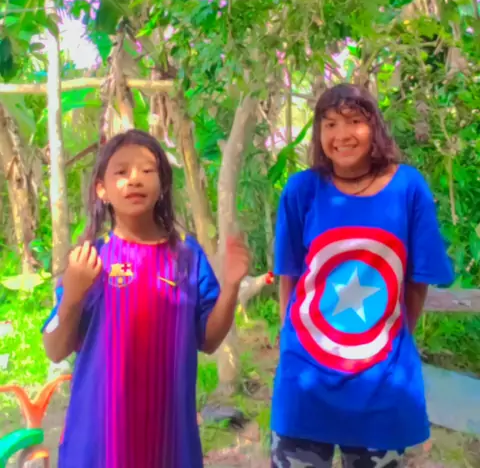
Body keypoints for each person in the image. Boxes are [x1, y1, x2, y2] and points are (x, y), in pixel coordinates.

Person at [271, 83, 454, 468]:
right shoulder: (302, 190)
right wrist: (292, 339)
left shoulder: (408, 188)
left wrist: (387, 337)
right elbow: (289, 274)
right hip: (306, 374)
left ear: (374, 128)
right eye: (330, 124)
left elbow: (417, 280)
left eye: (354, 121)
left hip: (381, 377)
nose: (341, 135)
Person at [42, 129, 249, 468]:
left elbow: (209, 340)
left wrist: (231, 287)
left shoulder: (188, 257)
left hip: (168, 444)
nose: (135, 179)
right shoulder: (91, 260)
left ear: (163, 184)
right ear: (101, 190)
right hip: (98, 445)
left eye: (147, 170)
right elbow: (54, 348)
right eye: (121, 172)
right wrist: (73, 296)